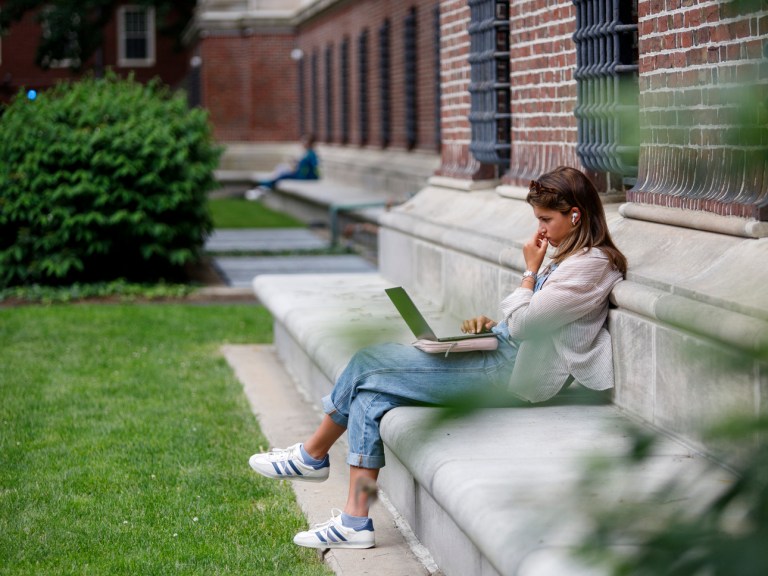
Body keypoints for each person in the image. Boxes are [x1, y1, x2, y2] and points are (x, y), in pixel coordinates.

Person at [248, 166, 628, 549]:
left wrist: (528, 273)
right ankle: (354, 521)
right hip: (497, 354)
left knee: (368, 362)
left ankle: (312, 456)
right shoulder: (570, 258)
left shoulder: (593, 266)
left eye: (546, 219)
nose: (541, 229)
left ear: (575, 215)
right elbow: (532, 323)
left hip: (508, 374)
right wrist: (491, 326)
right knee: (370, 397)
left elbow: (528, 324)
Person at [253, 134, 320, 192]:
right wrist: (296, 162)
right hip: (300, 174)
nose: (302, 142)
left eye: (305, 140)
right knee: (281, 168)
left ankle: (266, 184)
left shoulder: (311, 154)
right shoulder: (307, 153)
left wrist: (300, 164)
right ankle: (266, 184)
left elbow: (313, 165)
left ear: (310, 143)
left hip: (304, 176)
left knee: (283, 175)